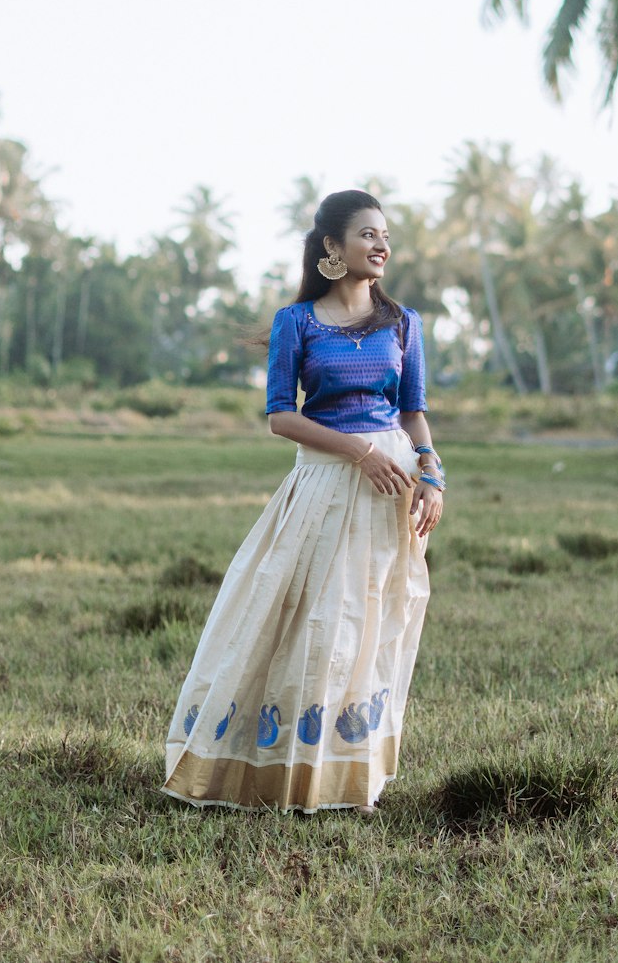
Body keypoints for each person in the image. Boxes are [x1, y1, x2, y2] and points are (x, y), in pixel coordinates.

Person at [162, 189, 443, 813]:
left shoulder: (404, 322)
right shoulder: (299, 323)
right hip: (324, 484)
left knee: (372, 624)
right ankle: (275, 771)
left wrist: (433, 475)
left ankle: (348, 776)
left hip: (392, 493)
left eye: (384, 234)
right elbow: (281, 418)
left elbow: (413, 411)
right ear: (332, 249)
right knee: (309, 621)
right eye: (367, 234)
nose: (381, 244)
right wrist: (359, 453)